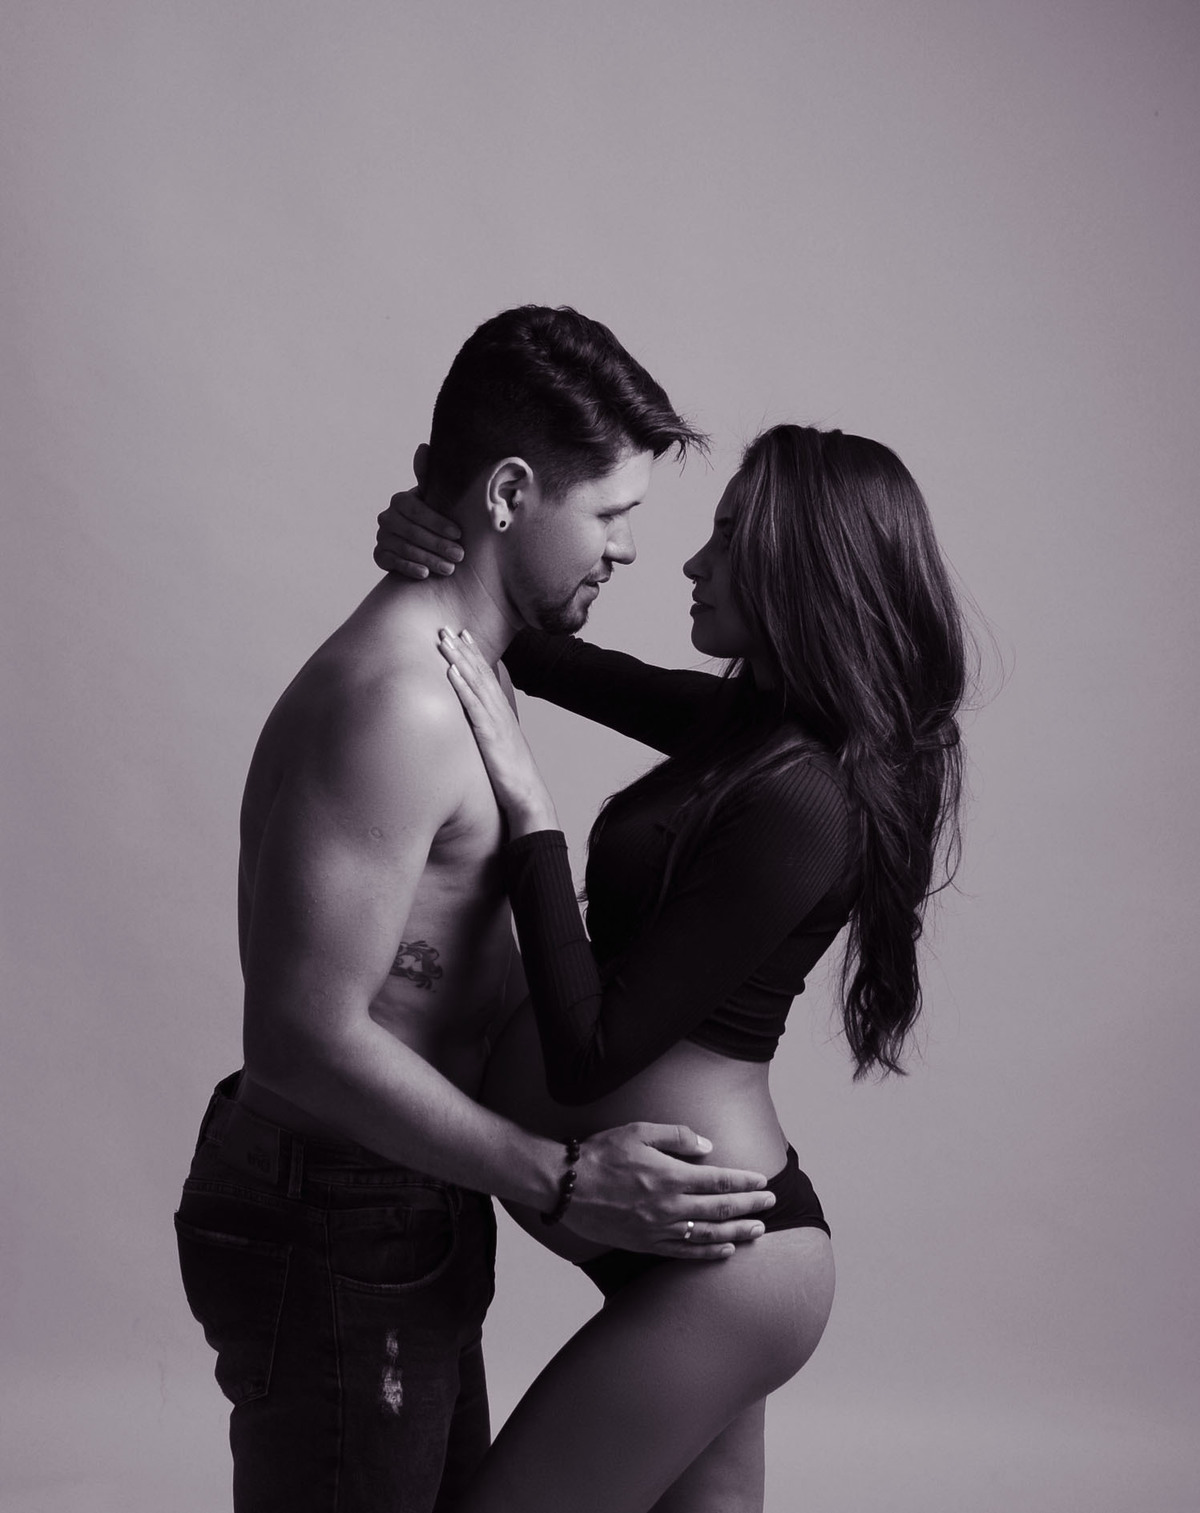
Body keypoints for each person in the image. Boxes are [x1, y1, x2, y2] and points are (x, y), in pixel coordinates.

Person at [174, 306, 780, 1513]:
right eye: (608, 514)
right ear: (509, 493)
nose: (628, 550)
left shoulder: (472, 663)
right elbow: (297, 1036)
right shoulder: (399, 702)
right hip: (336, 1207)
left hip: (403, 1198)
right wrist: (558, 1175)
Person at [374, 420, 970, 1511]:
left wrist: (530, 812)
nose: (692, 562)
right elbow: (539, 652)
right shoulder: (756, 730)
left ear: (800, 567)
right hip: (699, 1249)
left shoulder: (803, 799)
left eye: (729, 538)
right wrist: (439, 543)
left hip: (728, 1267)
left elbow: (591, 1052)